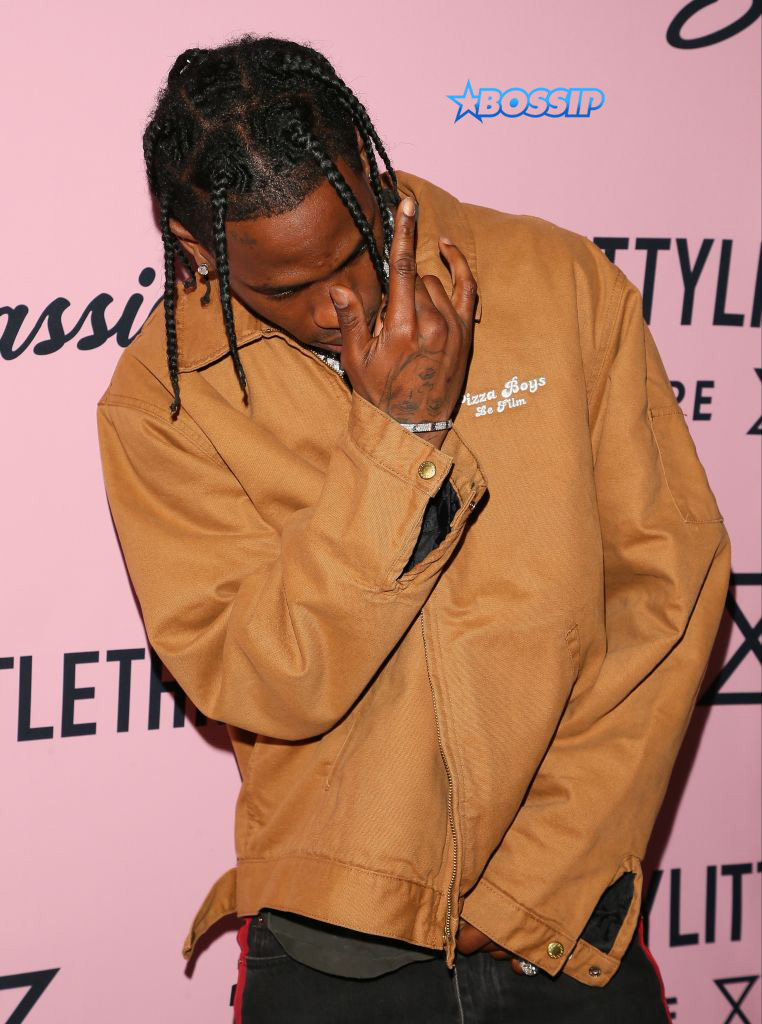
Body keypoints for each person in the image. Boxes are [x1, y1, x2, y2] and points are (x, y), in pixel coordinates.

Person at [96, 34, 731, 1023]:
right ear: (194, 250)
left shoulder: (551, 280)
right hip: (330, 942)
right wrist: (401, 440)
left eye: (352, 247)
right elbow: (262, 674)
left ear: (372, 166)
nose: (339, 301)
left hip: (560, 927)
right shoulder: (163, 401)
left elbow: (669, 588)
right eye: (286, 290)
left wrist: (535, 878)